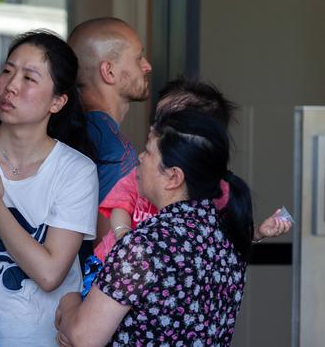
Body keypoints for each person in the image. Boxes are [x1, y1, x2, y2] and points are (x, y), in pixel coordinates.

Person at [0, 30, 98, 346]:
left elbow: (50, 274)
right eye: (7, 71)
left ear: (57, 101)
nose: (11, 85)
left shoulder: (76, 171)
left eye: (29, 78)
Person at [56, 110, 254, 346]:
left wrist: (69, 302)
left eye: (149, 151)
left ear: (173, 177)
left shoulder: (145, 246)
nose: (140, 157)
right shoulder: (228, 242)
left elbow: (83, 336)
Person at [93, 77, 293, 261]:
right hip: (109, 262)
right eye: (158, 120)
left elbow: (224, 238)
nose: (157, 128)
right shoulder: (141, 174)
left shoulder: (217, 193)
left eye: (172, 121)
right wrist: (125, 238)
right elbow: (120, 206)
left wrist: (257, 232)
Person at [67, 17, 151, 262]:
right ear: (109, 71)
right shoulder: (116, 152)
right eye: (138, 58)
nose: (147, 66)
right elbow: (108, 256)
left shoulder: (56, 129)